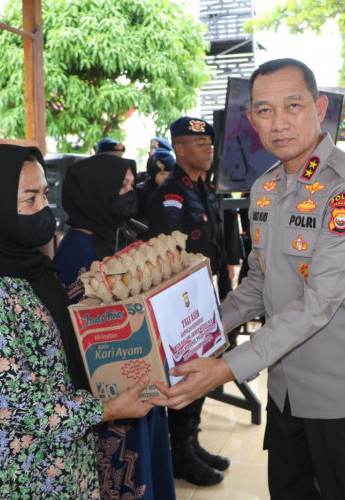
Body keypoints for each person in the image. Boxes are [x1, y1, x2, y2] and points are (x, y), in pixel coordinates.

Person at [151, 58, 345, 499]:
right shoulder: (264, 189)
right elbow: (256, 285)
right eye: (265, 111)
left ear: (319, 107)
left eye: (293, 106)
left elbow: (318, 302)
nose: (279, 122)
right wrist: (187, 335)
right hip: (288, 390)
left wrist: (225, 368)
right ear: (251, 120)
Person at [0, 144, 153, 499]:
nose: (44, 210)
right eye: (29, 199)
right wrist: (109, 408)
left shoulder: (27, 267)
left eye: (44, 196)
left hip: (60, 461)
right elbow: (14, 401)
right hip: (14, 474)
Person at [52, 153, 176, 500]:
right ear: (97, 192)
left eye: (130, 184)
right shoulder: (78, 249)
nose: (130, 192)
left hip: (136, 374)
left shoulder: (115, 234)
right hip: (109, 389)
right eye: (121, 186)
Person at [146, 116, 231, 486]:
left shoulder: (205, 188)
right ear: (179, 149)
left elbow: (214, 242)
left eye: (209, 145)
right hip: (179, 299)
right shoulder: (172, 193)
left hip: (203, 293)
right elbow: (167, 251)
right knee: (186, 372)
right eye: (199, 145)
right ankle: (180, 454)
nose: (208, 150)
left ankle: (190, 443)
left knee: (205, 369)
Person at [135, 147, 175, 225]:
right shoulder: (141, 192)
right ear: (153, 173)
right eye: (162, 173)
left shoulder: (174, 191)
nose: (166, 178)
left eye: (170, 174)